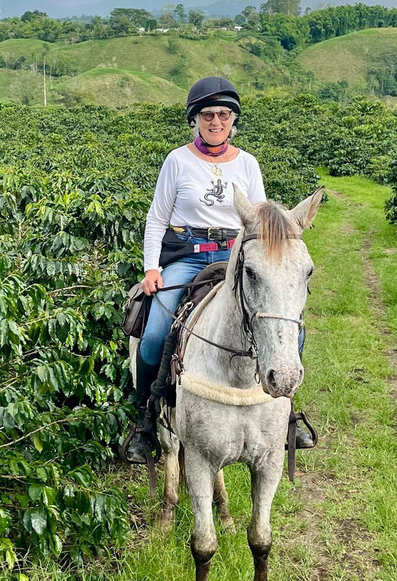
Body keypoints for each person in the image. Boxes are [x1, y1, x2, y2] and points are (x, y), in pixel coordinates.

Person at [124, 76, 313, 464]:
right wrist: (151, 268)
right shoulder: (177, 161)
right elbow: (156, 218)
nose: (215, 122)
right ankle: (146, 420)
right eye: (208, 115)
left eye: (223, 115)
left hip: (234, 256)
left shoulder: (247, 163)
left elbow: (262, 225)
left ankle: (285, 412)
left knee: (283, 323)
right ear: (195, 120)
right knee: (156, 333)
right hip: (187, 257)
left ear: (233, 120)